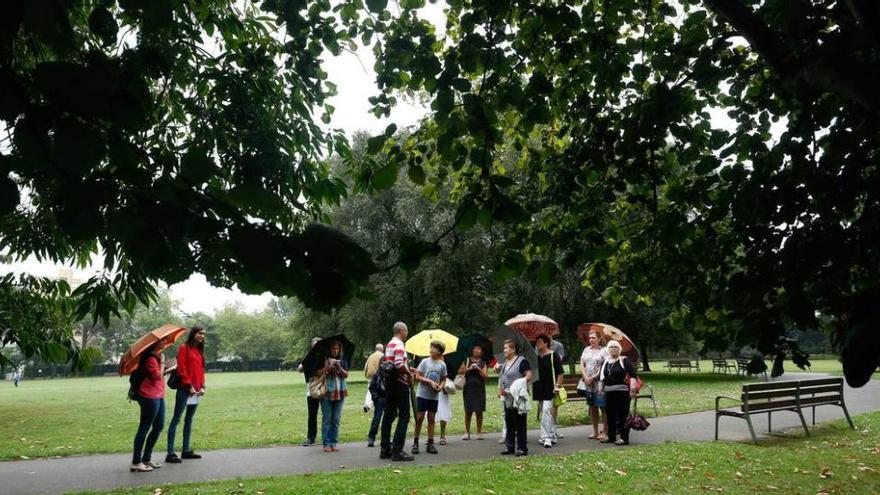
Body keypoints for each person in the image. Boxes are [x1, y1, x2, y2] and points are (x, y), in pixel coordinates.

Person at [166, 326, 206, 464]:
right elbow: (182, 368)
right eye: (200, 333)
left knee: (189, 420)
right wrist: (189, 386)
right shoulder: (184, 348)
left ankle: (186, 450)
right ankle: (170, 453)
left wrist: (202, 387)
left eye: (203, 334)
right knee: (176, 419)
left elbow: (201, 370)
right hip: (185, 389)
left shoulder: (199, 351)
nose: (202, 336)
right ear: (193, 334)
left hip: (196, 391)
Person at [380, 322, 415, 461]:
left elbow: (392, 363)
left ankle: (385, 449)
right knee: (404, 416)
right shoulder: (400, 344)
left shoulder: (389, 344)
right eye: (406, 331)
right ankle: (397, 450)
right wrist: (409, 373)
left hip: (389, 383)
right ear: (402, 330)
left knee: (388, 416)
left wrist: (408, 368)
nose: (407, 333)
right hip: (400, 384)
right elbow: (399, 364)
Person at [131, 339, 167, 472]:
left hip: (159, 395)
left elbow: (159, 374)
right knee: (144, 428)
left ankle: (146, 458)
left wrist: (167, 366)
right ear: (154, 343)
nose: (164, 343)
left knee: (159, 426)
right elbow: (157, 375)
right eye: (162, 341)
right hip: (149, 396)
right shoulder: (150, 358)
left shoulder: (155, 358)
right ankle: (136, 462)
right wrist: (163, 361)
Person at [600, 340, 639, 445]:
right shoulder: (606, 362)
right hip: (608, 393)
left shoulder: (624, 360)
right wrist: (601, 389)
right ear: (608, 349)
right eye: (611, 347)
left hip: (622, 393)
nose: (614, 349)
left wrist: (633, 389)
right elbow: (602, 377)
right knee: (610, 415)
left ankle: (624, 438)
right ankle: (611, 437)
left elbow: (633, 375)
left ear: (620, 349)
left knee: (623, 415)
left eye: (616, 347)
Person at [498, 338, 532, 457]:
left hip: (518, 397)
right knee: (509, 422)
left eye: (506, 348)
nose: (504, 350)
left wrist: (518, 383)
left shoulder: (522, 361)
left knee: (520, 423)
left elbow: (529, 375)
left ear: (513, 349)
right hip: (507, 397)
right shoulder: (505, 363)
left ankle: (522, 448)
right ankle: (510, 446)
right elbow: (503, 378)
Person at [412, 341, 447, 454]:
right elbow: (417, 376)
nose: (431, 349)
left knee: (431, 419)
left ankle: (430, 443)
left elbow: (443, 379)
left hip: (434, 396)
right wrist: (430, 382)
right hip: (422, 394)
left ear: (440, 352)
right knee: (420, 418)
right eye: (431, 347)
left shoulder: (442, 364)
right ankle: (415, 442)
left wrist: (440, 387)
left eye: (434, 348)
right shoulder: (424, 362)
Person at [533, 335, 564, 448]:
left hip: (550, 388)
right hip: (538, 388)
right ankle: (552, 434)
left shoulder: (553, 355)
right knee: (544, 412)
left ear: (546, 343)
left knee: (546, 411)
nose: (537, 344)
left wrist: (557, 386)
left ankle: (545, 437)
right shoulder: (535, 357)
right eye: (536, 342)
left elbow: (560, 373)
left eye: (540, 341)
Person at [319, 340, 349, 452]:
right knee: (327, 419)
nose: (335, 350)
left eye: (337, 348)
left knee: (336, 419)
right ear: (329, 349)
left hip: (340, 391)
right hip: (326, 392)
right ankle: (326, 443)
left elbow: (346, 375)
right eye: (333, 348)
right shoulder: (323, 359)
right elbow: (317, 373)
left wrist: (339, 368)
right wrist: (328, 367)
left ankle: (334, 442)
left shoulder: (342, 359)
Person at [580, 330, 608, 440]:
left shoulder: (604, 351)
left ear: (599, 338)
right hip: (588, 383)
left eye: (593, 337)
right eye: (590, 338)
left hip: (599, 383)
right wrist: (586, 377)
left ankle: (605, 431)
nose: (591, 340)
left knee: (602, 406)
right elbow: (582, 363)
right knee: (592, 406)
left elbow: (604, 367)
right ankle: (595, 431)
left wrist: (593, 377)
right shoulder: (586, 349)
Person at [458, 344, 488, 440]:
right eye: (475, 348)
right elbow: (460, 372)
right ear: (472, 350)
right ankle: (467, 432)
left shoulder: (483, 363)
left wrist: (478, 368)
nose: (477, 350)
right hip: (468, 388)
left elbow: (485, 377)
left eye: (479, 349)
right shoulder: (467, 360)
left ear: (481, 351)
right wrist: (469, 368)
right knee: (468, 411)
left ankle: (479, 432)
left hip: (479, 389)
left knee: (479, 411)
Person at [300, 337, 321, 446]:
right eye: (314, 345)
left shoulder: (325, 357)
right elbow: (300, 368)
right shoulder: (309, 357)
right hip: (311, 391)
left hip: (324, 390)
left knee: (327, 415)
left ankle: (327, 437)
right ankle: (311, 437)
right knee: (312, 415)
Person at [364, 343, 385, 447]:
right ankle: (371, 437)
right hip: (380, 398)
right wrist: (376, 397)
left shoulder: (371, 356)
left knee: (384, 418)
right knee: (377, 418)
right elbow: (372, 387)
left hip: (386, 398)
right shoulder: (378, 375)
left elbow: (366, 367)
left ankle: (383, 439)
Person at [548, 336, 565, 437]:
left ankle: (553, 428)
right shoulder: (538, 345)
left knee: (555, 404)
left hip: (555, 377)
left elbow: (560, 359)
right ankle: (547, 429)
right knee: (545, 406)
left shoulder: (558, 345)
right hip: (544, 378)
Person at [363, 343, 384, 412]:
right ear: (382, 349)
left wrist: (365, 375)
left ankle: (367, 405)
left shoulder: (371, 356)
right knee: (380, 392)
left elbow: (366, 366)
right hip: (379, 377)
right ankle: (380, 405)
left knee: (370, 391)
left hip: (370, 376)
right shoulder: (383, 356)